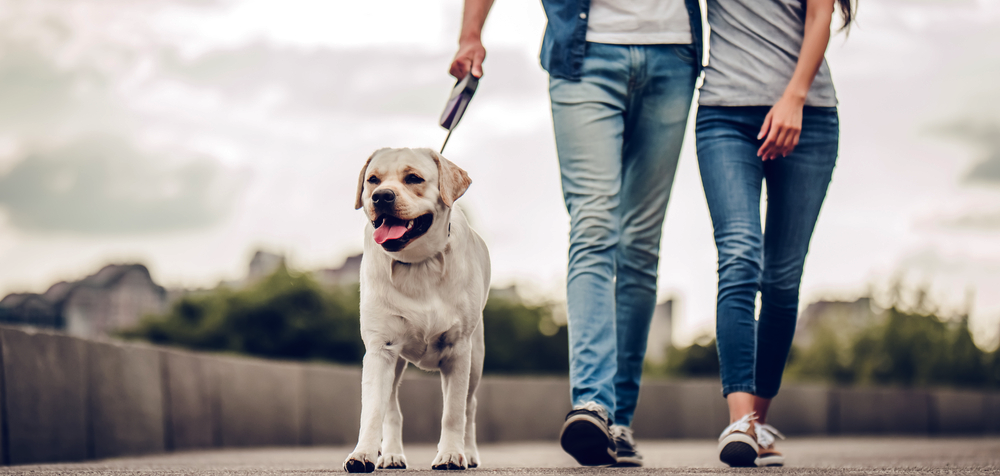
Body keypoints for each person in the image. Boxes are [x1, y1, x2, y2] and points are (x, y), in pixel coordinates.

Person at [450, 0, 703, 467]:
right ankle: (593, 403)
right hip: (583, 54)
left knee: (640, 245)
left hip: (674, 54)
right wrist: (471, 34)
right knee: (593, 226)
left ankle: (619, 420)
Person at [696, 0, 854, 468]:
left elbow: (820, 15)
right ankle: (740, 421)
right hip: (725, 116)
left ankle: (756, 427)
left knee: (783, 280)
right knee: (740, 256)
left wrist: (794, 97)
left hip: (809, 116)